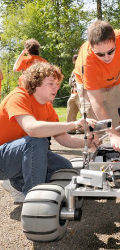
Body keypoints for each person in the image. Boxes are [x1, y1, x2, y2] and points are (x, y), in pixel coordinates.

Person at [0, 62, 99, 204]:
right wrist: (73, 124)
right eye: (51, 83)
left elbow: (64, 139)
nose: (56, 88)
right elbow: (32, 128)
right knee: (37, 142)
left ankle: (18, 182)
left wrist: (87, 142)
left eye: (57, 84)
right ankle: (34, 200)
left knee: (64, 167)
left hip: (20, 155)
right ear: (35, 83)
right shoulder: (18, 97)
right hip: (3, 160)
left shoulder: (47, 106)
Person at [74, 20, 120, 153]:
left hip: (113, 81)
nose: (107, 57)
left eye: (111, 51)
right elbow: (96, 101)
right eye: (100, 54)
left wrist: (115, 132)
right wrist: (111, 134)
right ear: (92, 48)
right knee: (94, 128)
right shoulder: (88, 62)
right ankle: (93, 155)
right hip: (88, 86)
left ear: (115, 41)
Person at [67, 54, 82, 134]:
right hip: (73, 93)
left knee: (84, 111)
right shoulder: (74, 70)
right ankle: (71, 128)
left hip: (81, 93)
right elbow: (71, 83)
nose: (76, 61)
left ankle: (83, 129)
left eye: (78, 59)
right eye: (75, 59)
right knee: (70, 110)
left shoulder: (82, 69)